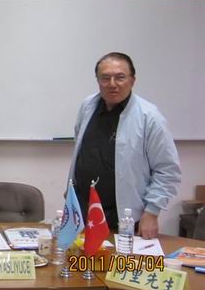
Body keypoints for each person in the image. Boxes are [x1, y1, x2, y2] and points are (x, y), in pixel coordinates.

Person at [68, 52, 181, 239]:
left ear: (132, 80)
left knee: (118, 259)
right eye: (105, 78)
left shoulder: (149, 117)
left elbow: (167, 170)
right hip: (82, 211)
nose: (112, 84)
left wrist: (152, 212)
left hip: (124, 218)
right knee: (76, 257)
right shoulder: (88, 106)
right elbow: (80, 150)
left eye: (120, 77)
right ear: (98, 80)